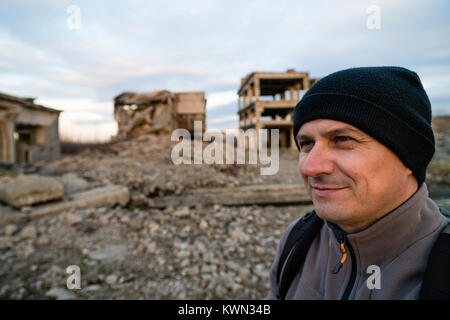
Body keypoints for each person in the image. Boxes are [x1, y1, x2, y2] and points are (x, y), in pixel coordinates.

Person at [266, 66, 450, 300]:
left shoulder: (442, 268)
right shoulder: (298, 241)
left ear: (409, 157)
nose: (310, 167)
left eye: (342, 139)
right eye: (306, 143)